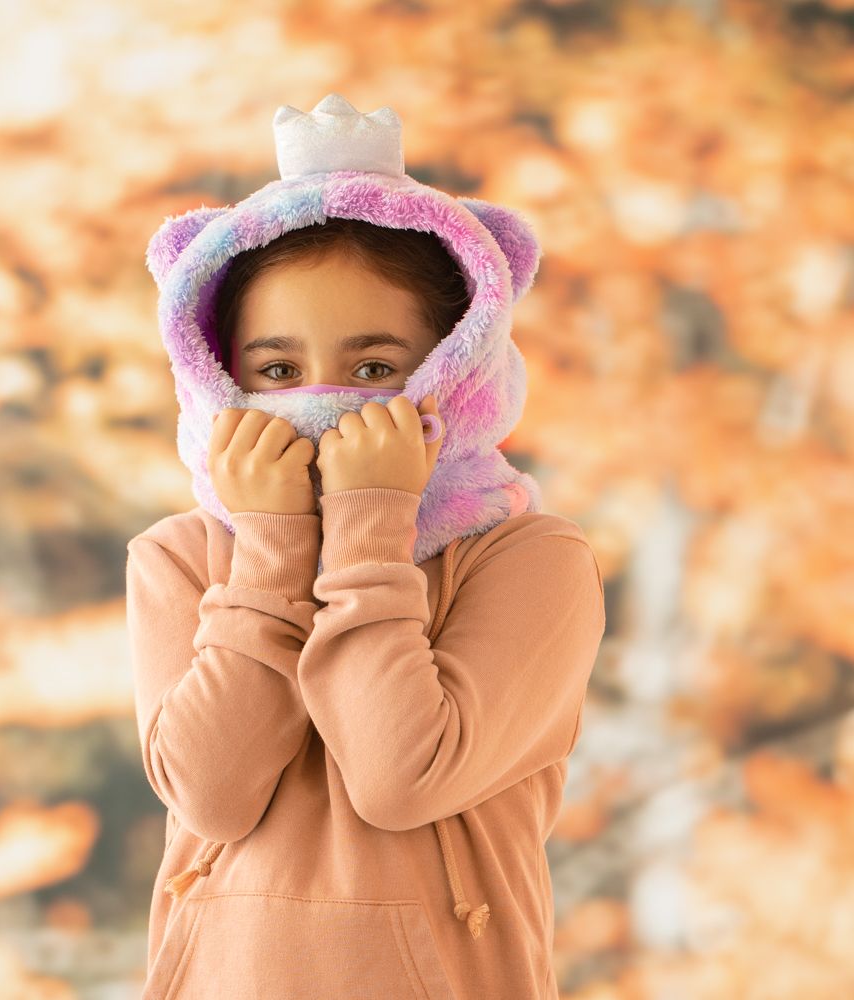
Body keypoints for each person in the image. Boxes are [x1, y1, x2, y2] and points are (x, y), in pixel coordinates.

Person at [127, 93, 606, 999]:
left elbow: (402, 778)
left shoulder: (530, 559)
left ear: (454, 368)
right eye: (277, 371)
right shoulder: (179, 557)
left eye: (375, 369)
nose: (322, 399)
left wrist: (370, 522)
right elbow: (213, 794)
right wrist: (271, 552)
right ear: (217, 377)